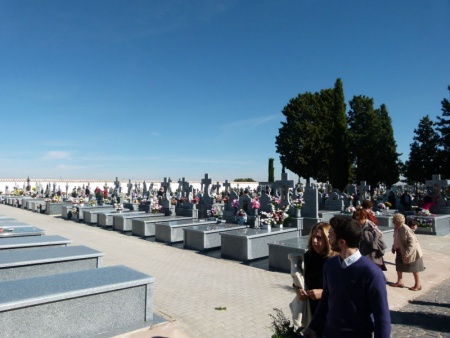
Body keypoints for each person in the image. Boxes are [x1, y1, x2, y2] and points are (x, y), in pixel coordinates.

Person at [304, 216, 391, 338]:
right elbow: (325, 301)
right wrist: (313, 327)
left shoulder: (372, 273)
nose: (328, 237)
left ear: (342, 242)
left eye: (331, 234)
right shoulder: (330, 265)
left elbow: (382, 319)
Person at [293, 222, 336, 317]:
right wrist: (297, 289)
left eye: (319, 237)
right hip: (311, 309)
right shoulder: (309, 256)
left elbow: (343, 289)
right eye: (313, 237)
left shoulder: (336, 260)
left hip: (331, 309)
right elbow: (301, 279)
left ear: (328, 239)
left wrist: (323, 293)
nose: (315, 241)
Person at [390, 213, 424, 291]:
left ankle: (418, 285)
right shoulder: (396, 228)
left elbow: (412, 243)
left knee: (414, 268)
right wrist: (394, 247)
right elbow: (396, 238)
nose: (392, 222)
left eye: (394, 221)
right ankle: (400, 281)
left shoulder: (406, 229)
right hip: (400, 250)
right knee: (399, 266)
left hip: (412, 252)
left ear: (399, 222)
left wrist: (407, 253)